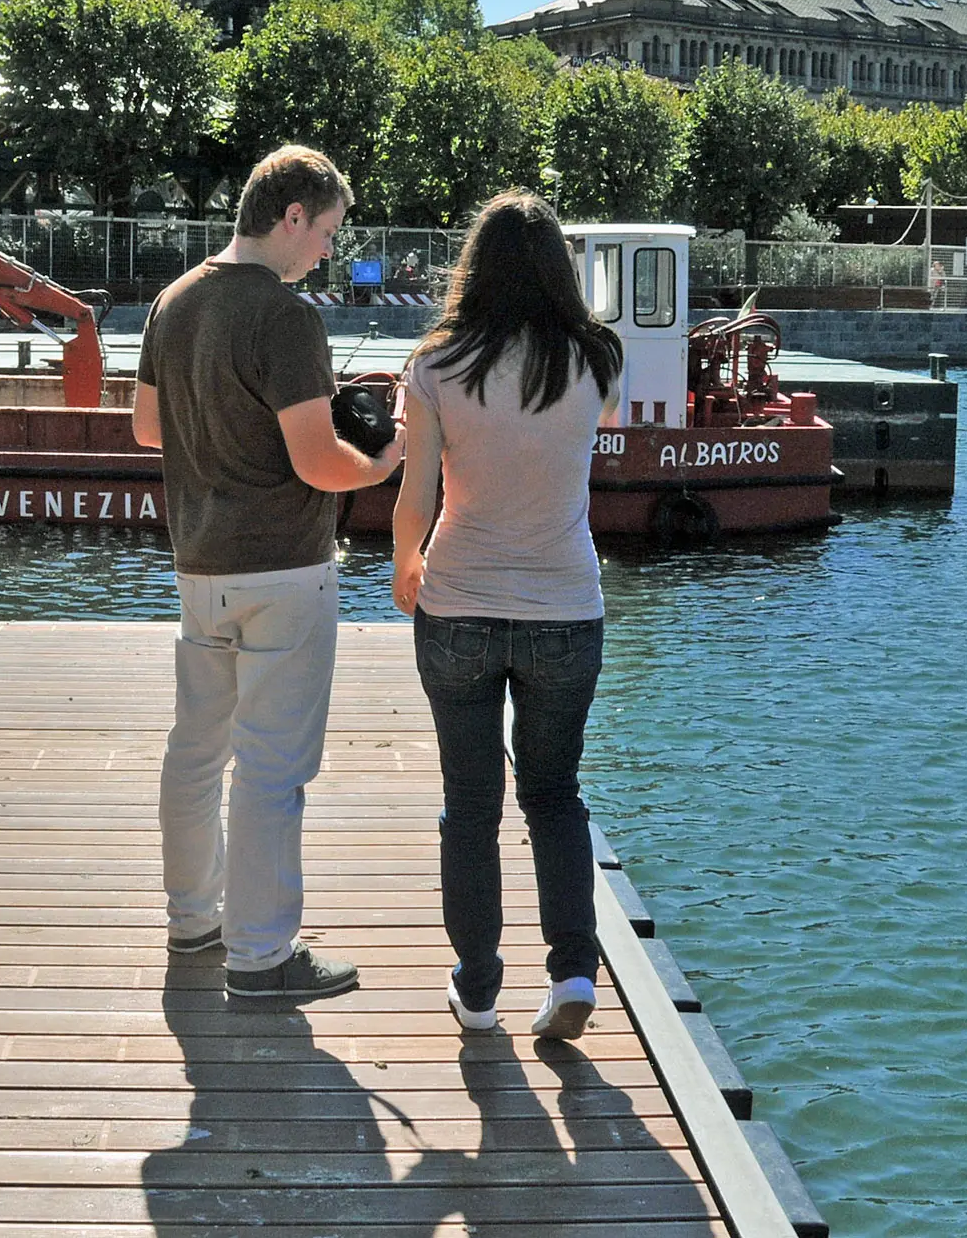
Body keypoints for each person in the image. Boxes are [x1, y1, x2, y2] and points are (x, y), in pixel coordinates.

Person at [134, 144, 407, 1001]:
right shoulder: (285, 317)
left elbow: (147, 428)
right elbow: (321, 462)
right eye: (324, 231)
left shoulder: (172, 301)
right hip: (285, 572)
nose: (326, 250)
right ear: (291, 216)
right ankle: (260, 956)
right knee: (271, 767)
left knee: (196, 748)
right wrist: (386, 463)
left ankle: (193, 921)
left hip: (199, 563)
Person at [390, 191, 623, 1040]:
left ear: (473, 268)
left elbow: (417, 493)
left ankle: (478, 987)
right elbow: (598, 429)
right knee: (555, 794)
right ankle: (572, 970)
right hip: (567, 606)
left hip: (458, 603)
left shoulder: (436, 365)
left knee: (471, 801)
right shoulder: (597, 359)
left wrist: (404, 563)